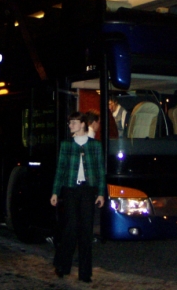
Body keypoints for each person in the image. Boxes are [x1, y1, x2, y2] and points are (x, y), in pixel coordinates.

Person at [50, 111, 105, 283]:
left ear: (82, 124)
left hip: (87, 190)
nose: (70, 125)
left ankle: (85, 273)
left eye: (73, 122)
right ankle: (62, 265)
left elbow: (100, 171)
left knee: (86, 232)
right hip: (70, 190)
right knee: (70, 228)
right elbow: (61, 169)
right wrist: (55, 192)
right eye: (69, 122)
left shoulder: (95, 145)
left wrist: (101, 193)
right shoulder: (66, 145)